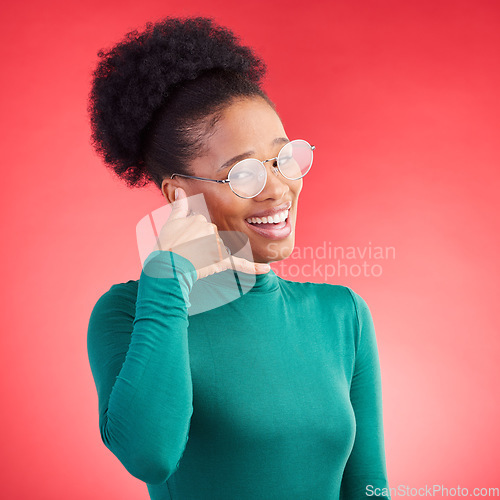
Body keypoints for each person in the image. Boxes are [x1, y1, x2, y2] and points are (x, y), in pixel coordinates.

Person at [86, 16, 391, 500]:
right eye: (242, 175)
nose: (279, 189)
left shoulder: (343, 314)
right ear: (179, 195)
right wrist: (168, 275)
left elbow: (369, 487)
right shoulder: (128, 314)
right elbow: (150, 454)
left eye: (283, 158)